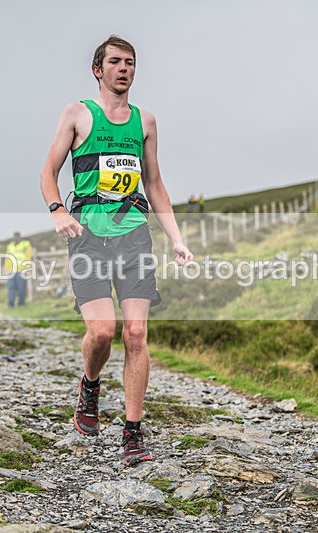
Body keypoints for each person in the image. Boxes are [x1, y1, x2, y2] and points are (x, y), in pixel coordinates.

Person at [40, 35, 193, 465]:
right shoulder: (77, 114)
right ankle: (90, 385)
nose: (124, 69)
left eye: (130, 62)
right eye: (115, 62)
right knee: (103, 331)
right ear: (98, 70)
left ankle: (132, 432)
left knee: (137, 333)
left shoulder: (145, 121)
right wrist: (57, 211)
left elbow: (155, 184)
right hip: (87, 234)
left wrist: (176, 239)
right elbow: (48, 172)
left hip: (133, 234)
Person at [5, 231, 31, 308]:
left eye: (17, 239)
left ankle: (21, 304)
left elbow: (28, 257)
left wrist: (28, 268)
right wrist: (6, 268)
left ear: (20, 238)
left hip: (21, 270)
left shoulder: (25, 245)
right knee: (11, 287)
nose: (15, 240)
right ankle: (10, 304)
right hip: (11, 270)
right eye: (14, 239)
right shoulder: (10, 246)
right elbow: (7, 258)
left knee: (21, 288)